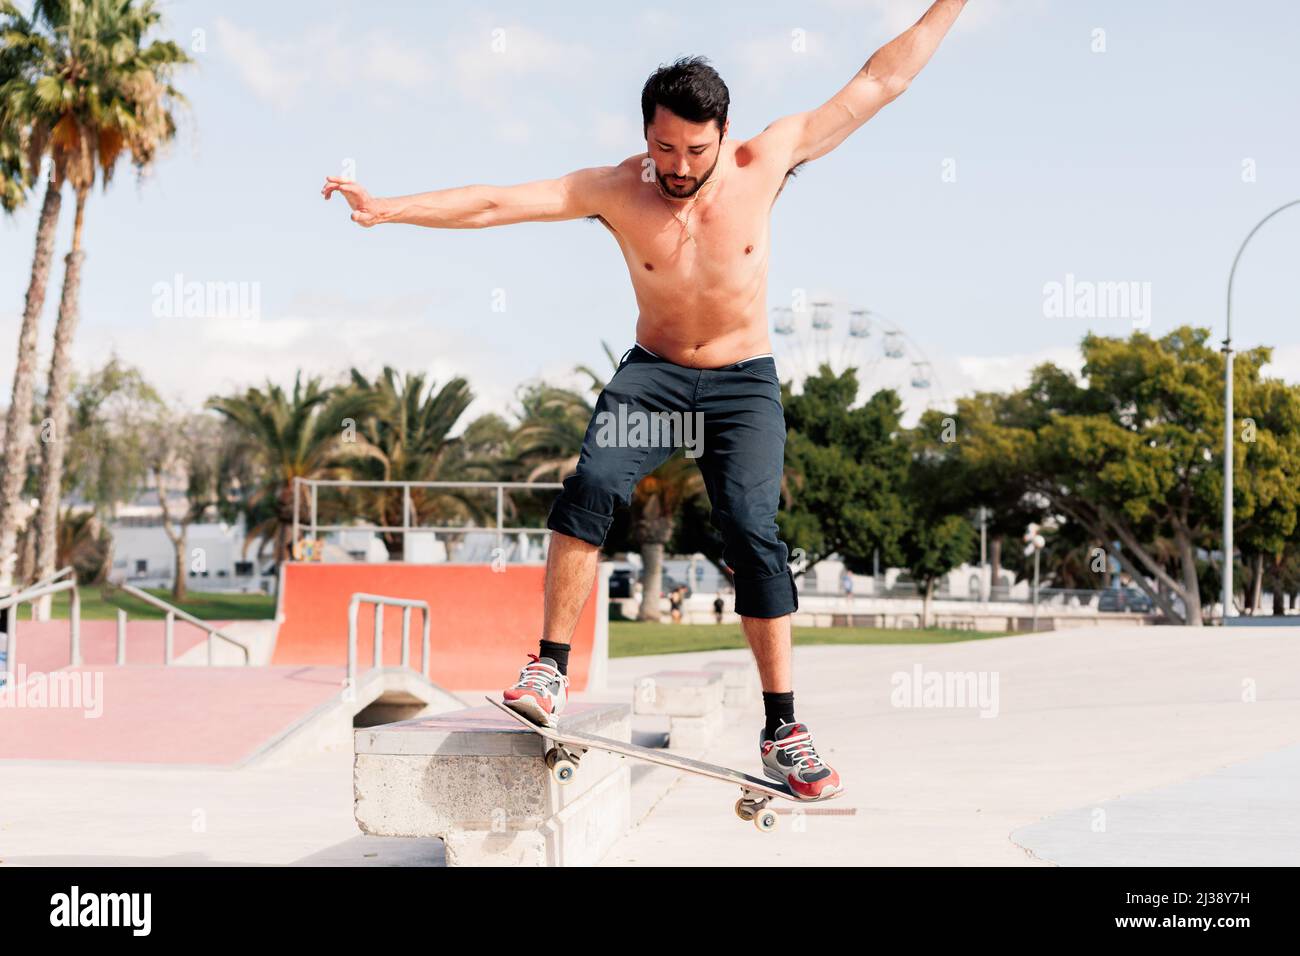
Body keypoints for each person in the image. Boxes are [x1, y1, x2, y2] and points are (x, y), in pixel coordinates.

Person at [323, 0, 966, 800]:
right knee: (592, 485)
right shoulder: (615, 190)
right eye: (663, 147)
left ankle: (782, 729)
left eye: (695, 149)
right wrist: (390, 208)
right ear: (645, 136)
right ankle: (549, 670)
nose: (678, 165)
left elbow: (882, 78)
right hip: (656, 374)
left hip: (742, 384)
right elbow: (496, 202)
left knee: (755, 533)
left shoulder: (768, 161)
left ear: (723, 136)